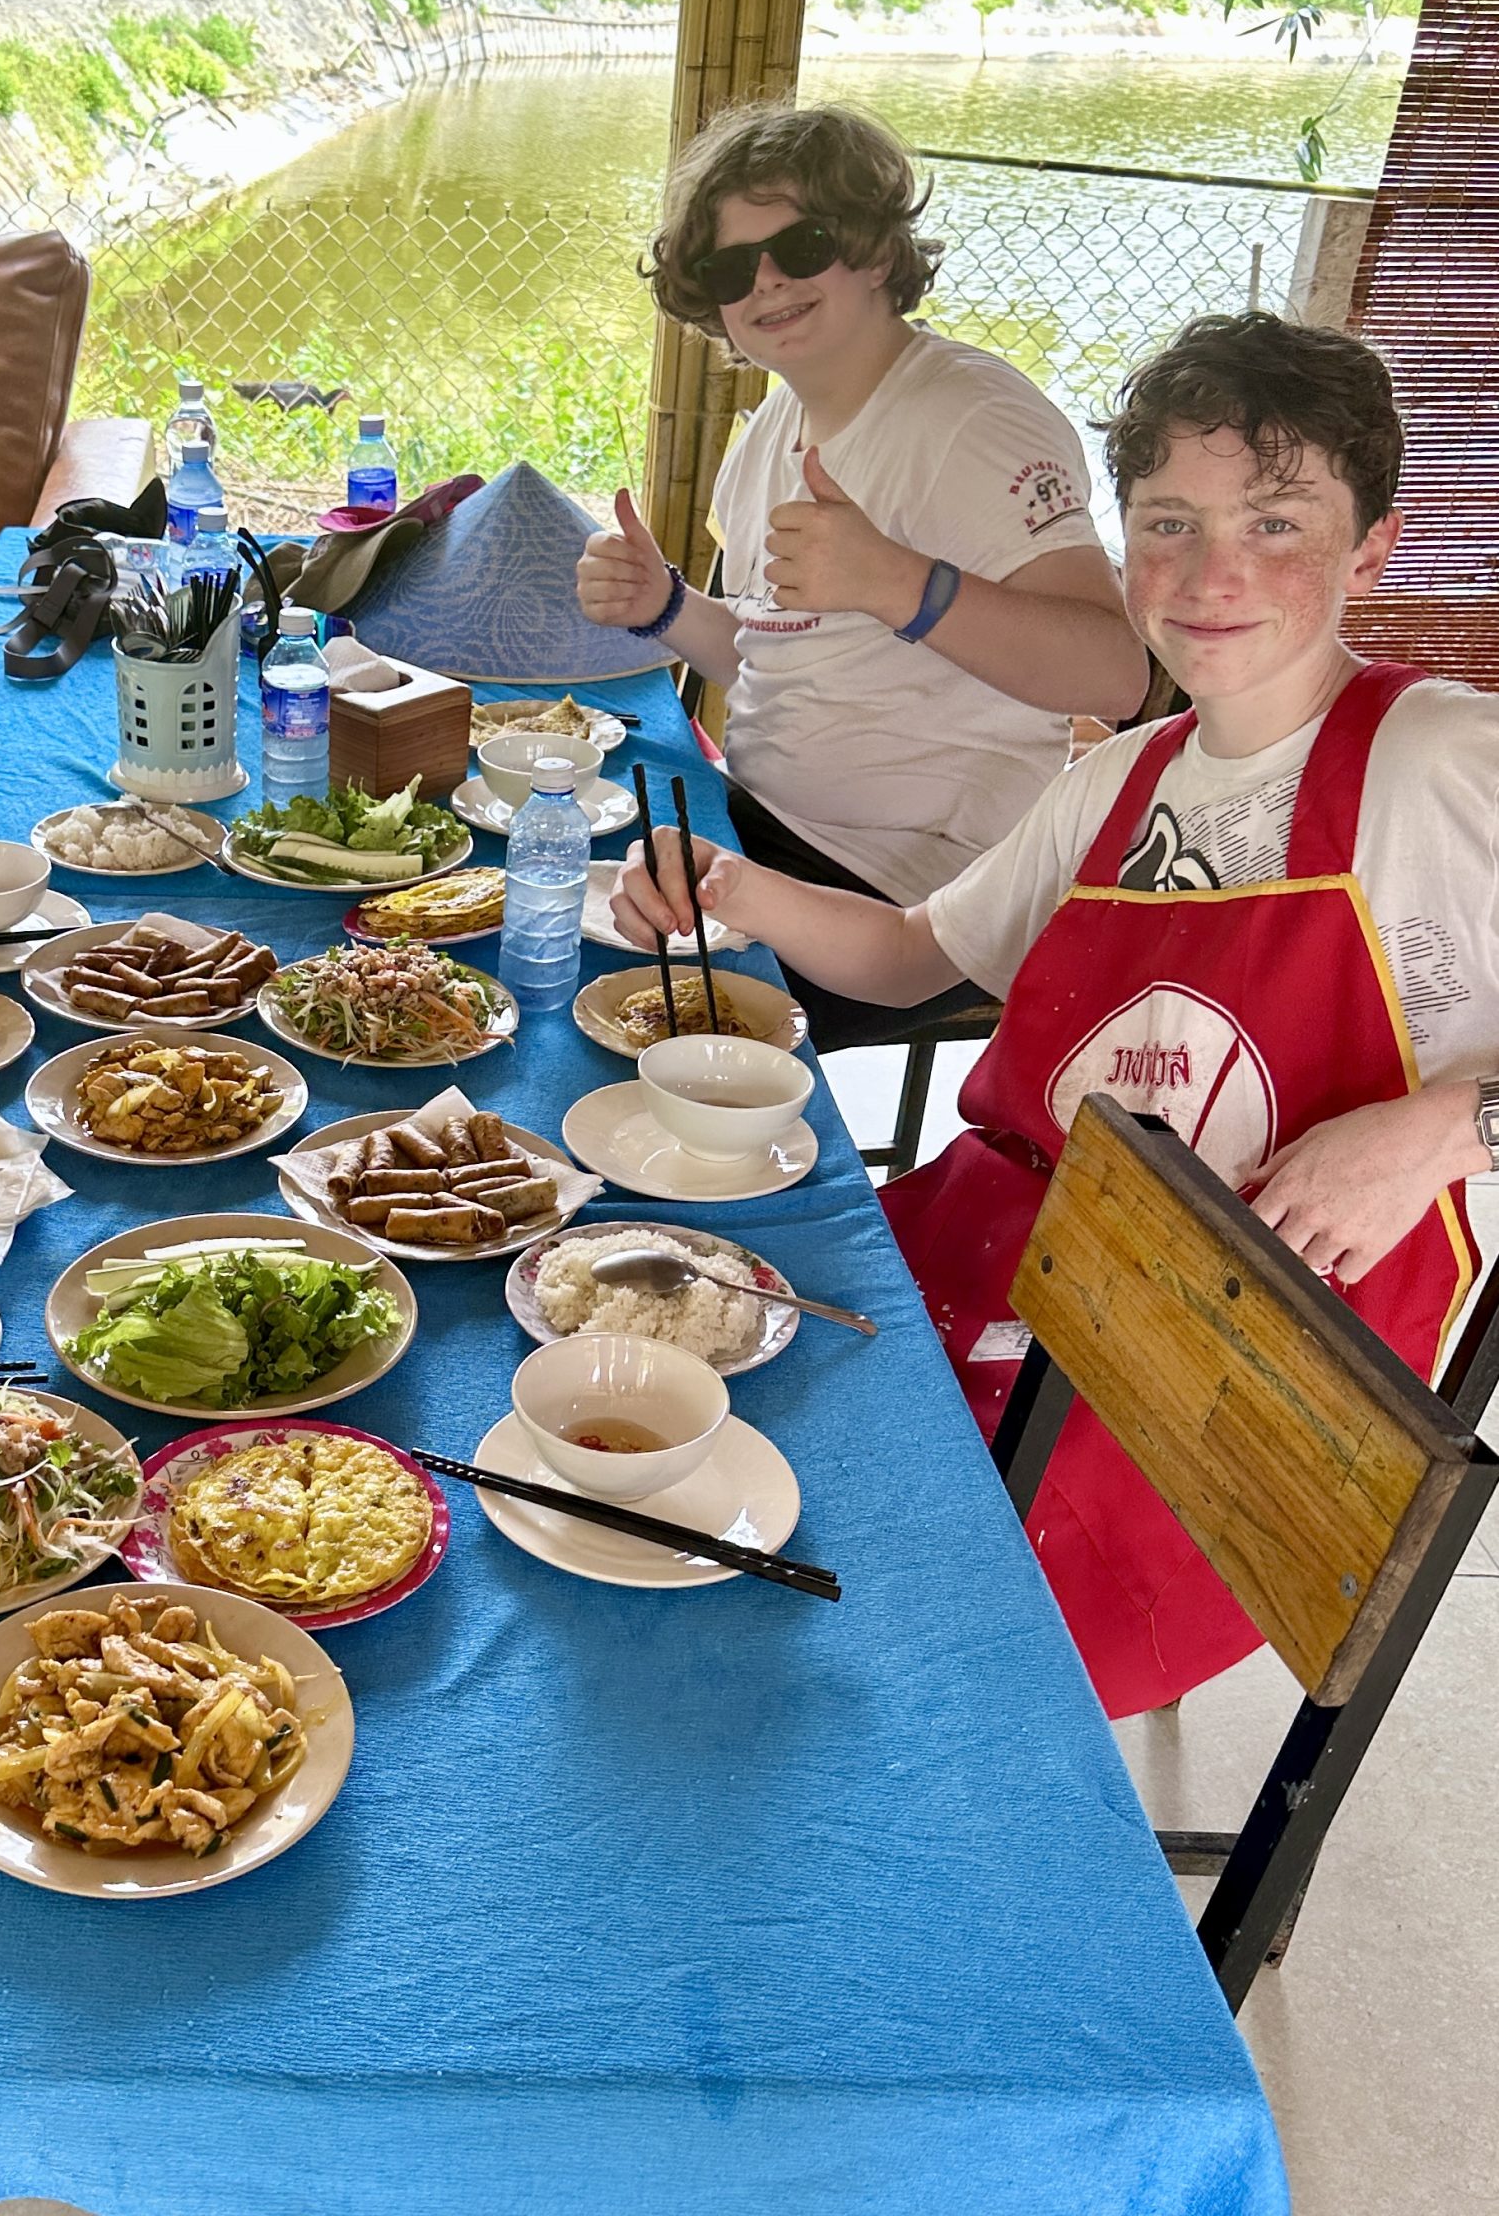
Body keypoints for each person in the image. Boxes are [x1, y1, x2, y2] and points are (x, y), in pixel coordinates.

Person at [613, 312, 1499, 1716]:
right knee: (640, 1395)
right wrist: (730, 887)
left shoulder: (1440, 758)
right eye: (1167, 523)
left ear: (1370, 551)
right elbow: (909, 952)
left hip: (1203, 1424)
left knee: (782, 1637)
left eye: (1274, 524)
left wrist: (1438, 1133)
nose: (1209, 575)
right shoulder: (1116, 777)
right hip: (985, 1267)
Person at [577, 103, 1152, 1048]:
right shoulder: (772, 428)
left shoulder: (972, 418)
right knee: (535, 877)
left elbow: (1114, 675)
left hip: (903, 898)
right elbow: (777, 657)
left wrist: (903, 584)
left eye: (801, 247)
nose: (766, 282)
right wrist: (667, 605)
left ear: (879, 251)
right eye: (731, 269)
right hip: (764, 828)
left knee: (592, 1001)